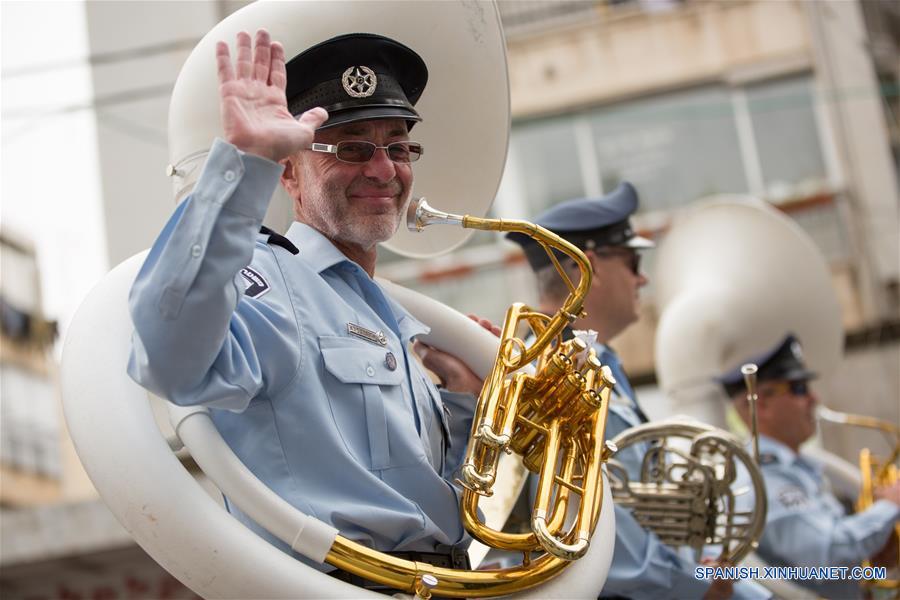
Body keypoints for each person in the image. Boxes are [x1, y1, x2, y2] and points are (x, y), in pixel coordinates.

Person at [127, 29, 486, 591]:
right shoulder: (264, 279)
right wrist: (246, 162)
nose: (385, 171)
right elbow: (168, 358)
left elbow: (422, 499)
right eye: (351, 148)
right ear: (289, 173)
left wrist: (462, 397)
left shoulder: (393, 321)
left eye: (398, 146)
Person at [507, 184, 769, 599]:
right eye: (633, 260)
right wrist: (694, 581)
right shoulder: (551, 377)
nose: (642, 277)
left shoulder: (599, 362)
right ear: (587, 266)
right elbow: (589, 528)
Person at [720, 333, 900, 599]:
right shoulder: (764, 478)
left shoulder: (796, 468)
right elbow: (824, 556)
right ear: (761, 404)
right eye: (799, 388)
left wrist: (870, 559)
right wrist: (890, 506)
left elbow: (826, 570)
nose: (814, 398)